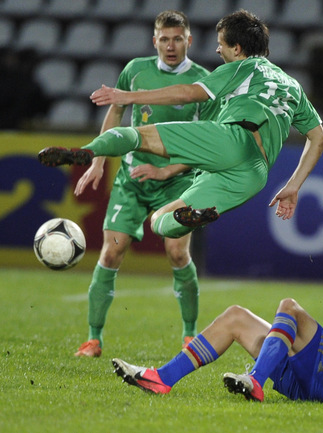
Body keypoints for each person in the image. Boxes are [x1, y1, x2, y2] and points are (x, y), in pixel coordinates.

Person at [37, 9, 323, 240]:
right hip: (255, 173)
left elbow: (189, 93)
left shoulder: (242, 67)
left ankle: (88, 152)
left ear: (237, 48)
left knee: (135, 136)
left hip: (232, 139)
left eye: (221, 45)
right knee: (159, 221)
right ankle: (189, 219)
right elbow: (319, 137)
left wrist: (128, 96)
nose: (218, 51)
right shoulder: (293, 86)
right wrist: (293, 186)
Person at [111, 221, 323, 407]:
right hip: (317, 377)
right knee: (236, 317)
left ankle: (255, 380)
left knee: (290, 307)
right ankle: (162, 378)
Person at [73, 10, 217, 357]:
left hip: (178, 182)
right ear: (154, 41)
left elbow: (210, 141)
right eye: (164, 39)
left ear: (189, 40)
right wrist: (98, 159)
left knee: (177, 252)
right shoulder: (135, 71)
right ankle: (93, 339)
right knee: (112, 251)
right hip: (133, 178)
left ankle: (189, 335)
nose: (171, 46)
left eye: (177, 39)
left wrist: (167, 171)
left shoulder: (203, 82)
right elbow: (116, 112)